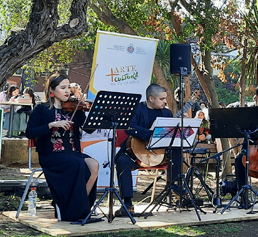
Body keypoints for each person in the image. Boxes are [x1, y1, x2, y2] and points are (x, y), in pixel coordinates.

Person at [26, 73, 99, 221]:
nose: (67, 91)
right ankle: (75, 212)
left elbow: (88, 130)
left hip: (72, 152)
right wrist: (52, 125)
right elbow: (30, 132)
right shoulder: (42, 109)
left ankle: (77, 207)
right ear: (52, 90)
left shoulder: (74, 108)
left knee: (94, 165)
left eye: (69, 88)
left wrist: (93, 114)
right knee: (78, 164)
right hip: (51, 154)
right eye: (63, 87)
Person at [115, 84, 183, 217]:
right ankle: (127, 204)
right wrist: (150, 134)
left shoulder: (167, 113)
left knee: (177, 149)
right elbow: (130, 127)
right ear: (151, 98)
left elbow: (171, 134)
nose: (165, 101)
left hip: (159, 154)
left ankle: (175, 186)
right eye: (162, 99)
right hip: (136, 153)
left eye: (165, 98)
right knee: (122, 161)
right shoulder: (137, 109)